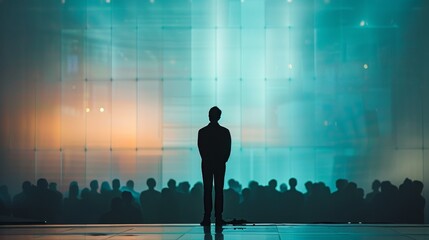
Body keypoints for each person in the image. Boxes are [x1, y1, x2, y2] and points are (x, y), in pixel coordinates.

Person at [198, 106, 231, 226]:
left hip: (207, 163)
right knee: (218, 190)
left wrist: (208, 160)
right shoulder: (224, 132)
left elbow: (201, 149)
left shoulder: (202, 131)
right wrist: (222, 161)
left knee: (207, 190)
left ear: (209, 116)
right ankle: (218, 217)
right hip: (219, 164)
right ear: (219, 117)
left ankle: (207, 217)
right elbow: (227, 149)